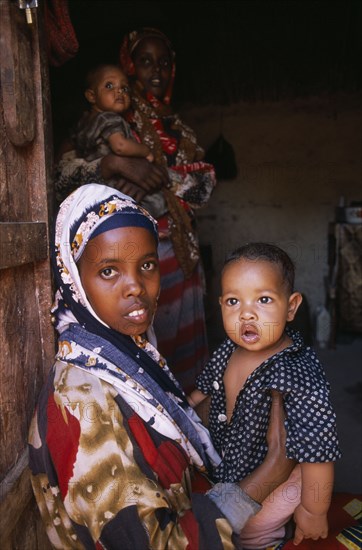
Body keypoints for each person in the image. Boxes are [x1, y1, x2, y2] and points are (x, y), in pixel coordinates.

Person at [28, 185, 295, 549]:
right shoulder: (81, 402)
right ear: (74, 281)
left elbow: (169, 427)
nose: (136, 286)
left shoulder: (125, 355)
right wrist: (267, 475)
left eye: (147, 265)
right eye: (109, 271)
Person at [54, 27, 217, 392]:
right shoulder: (107, 117)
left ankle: (189, 420)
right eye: (145, 62)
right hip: (136, 250)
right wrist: (112, 165)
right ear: (128, 67)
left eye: (163, 63)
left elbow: (204, 186)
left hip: (182, 247)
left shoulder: (177, 128)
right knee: (144, 331)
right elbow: (59, 173)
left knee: (183, 338)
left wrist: (153, 176)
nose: (155, 72)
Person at [187, 242, 342, 549]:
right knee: (222, 522)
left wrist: (313, 510)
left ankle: (270, 539)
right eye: (233, 301)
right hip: (231, 467)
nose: (247, 314)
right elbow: (200, 392)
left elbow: (318, 446)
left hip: (281, 482)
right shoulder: (228, 350)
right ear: (220, 305)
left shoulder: (295, 370)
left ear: (291, 306)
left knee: (251, 533)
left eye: (264, 300)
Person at [73, 63, 154, 164]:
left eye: (124, 88)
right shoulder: (110, 119)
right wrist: (145, 150)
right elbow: (120, 146)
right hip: (112, 175)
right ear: (91, 96)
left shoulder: (85, 121)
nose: (120, 91)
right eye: (109, 86)